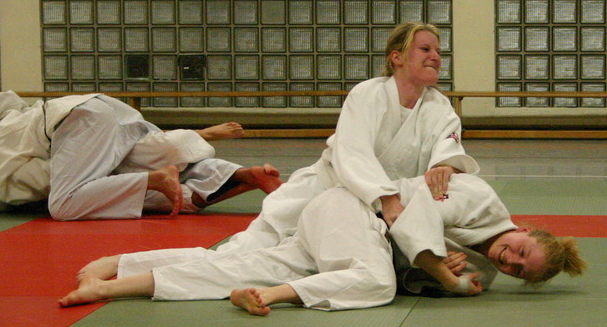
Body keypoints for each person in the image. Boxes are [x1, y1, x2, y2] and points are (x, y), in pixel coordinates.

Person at [58, 173, 587, 314]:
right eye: (520, 251)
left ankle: (114, 275)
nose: (509, 261)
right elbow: (418, 215)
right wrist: (438, 268)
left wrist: (442, 281)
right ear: (525, 230)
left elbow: (410, 277)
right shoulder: (478, 197)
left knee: (235, 264)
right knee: (375, 284)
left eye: (518, 271)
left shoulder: (484, 273)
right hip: (345, 209)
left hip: (340, 239)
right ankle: (276, 296)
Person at [184, 20, 478, 260]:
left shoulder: (440, 107)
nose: (435, 57)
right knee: (246, 255)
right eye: (425, 49)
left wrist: (445, 166)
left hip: (378, 209)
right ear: (397, 57)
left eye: (438, 51)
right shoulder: (368, 94)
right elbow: (353, 154)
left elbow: (448, 147)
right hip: (324, 193)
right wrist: (387, 198)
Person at [0, 90, 281, 218]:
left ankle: (156, 180)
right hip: (99, 107)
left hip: (77, 124)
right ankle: (243, 176)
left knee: (64, 204)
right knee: (163, 154)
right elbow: (5, 100)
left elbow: (49, 181)